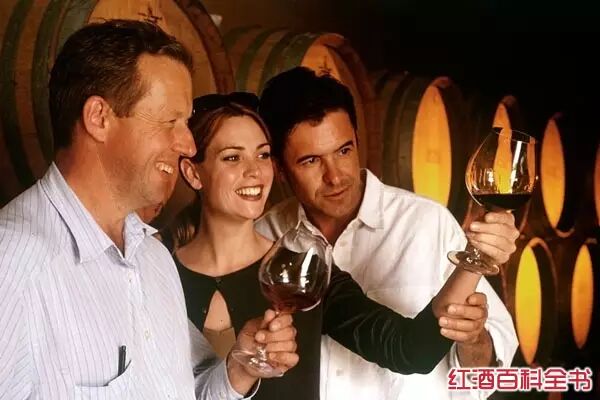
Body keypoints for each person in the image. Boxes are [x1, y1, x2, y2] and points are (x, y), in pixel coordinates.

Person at [0, 20, 298, 399]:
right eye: (170, 121)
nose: (188, 145)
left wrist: (238, 368)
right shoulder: (12, 262)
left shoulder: (153, 257)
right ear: (99, 118)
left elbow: (185, 390)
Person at [166, 91, 506, 400]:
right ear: (193, 173)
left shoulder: (302, 270)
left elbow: (410, 350)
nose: (254, 171)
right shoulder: (157, 271)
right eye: (232, 158)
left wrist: (476, 257)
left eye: (263, 155)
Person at [254, 66, 520, 399]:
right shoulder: (265, 236)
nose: (335, 176)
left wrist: (473, 339)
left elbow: (488, 373)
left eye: (344, 151)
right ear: (279, 169)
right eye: (311, 161)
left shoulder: (428, 223)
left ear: (358, 141)